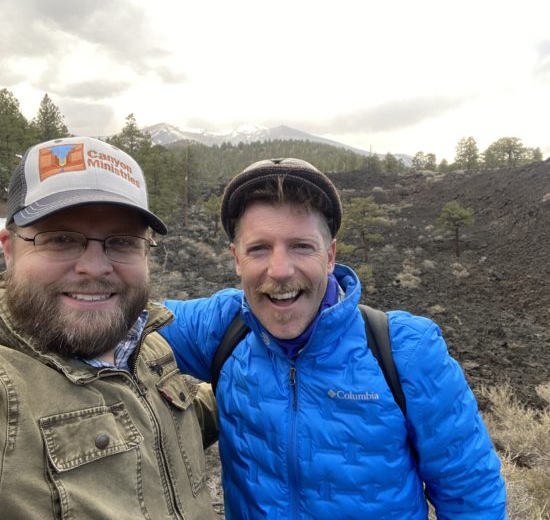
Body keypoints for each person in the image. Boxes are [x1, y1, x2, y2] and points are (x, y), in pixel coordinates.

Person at [161, 158, 507, 519]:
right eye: (259, 248)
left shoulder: (406, 351)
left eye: (301, 246)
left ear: (330, 256)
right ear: (236, 259)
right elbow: (124, 312)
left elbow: (471, 496)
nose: (280, 270)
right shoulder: (223, 327)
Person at [0, 137, 218, 519]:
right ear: (8, 248)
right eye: (61, 239)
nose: (95, 267)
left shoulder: (144, 345)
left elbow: (171, 422)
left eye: (121, 242)